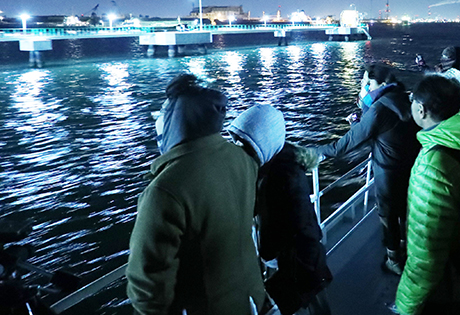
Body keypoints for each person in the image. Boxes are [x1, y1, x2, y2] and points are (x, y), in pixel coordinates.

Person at [126, 74, 265, 315]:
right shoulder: (241, 160)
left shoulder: (165, 189)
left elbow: (148, 290)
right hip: (252, 300)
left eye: (164, 112)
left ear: (178, 119)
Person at [395, 75, 460, 315]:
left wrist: (406, 304)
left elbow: (426, 248)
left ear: (421, 109)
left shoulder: (433, 165)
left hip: (448, 287)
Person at [313, 64, 420, 275]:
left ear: (381, 84)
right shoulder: (402, 98)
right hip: (409, 166)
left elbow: (342, 146)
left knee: (388, 215)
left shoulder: (378, 109)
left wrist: (312, 152)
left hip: (387, 172)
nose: (364, 87)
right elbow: (382, 132)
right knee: (406, 211)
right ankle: (408, 248)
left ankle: (393, 260)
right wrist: (362, 118)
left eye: (368, 83)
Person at [228, 105, 333, 315]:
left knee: (306, 296)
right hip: (286, 255)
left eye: (244, 142)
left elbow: (305, 228)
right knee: (314, 298)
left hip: (294, 259)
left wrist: (306, 265)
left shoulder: (285, 178)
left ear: (263, 143)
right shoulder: (269, 168)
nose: (236, 146)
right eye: (234, 139)